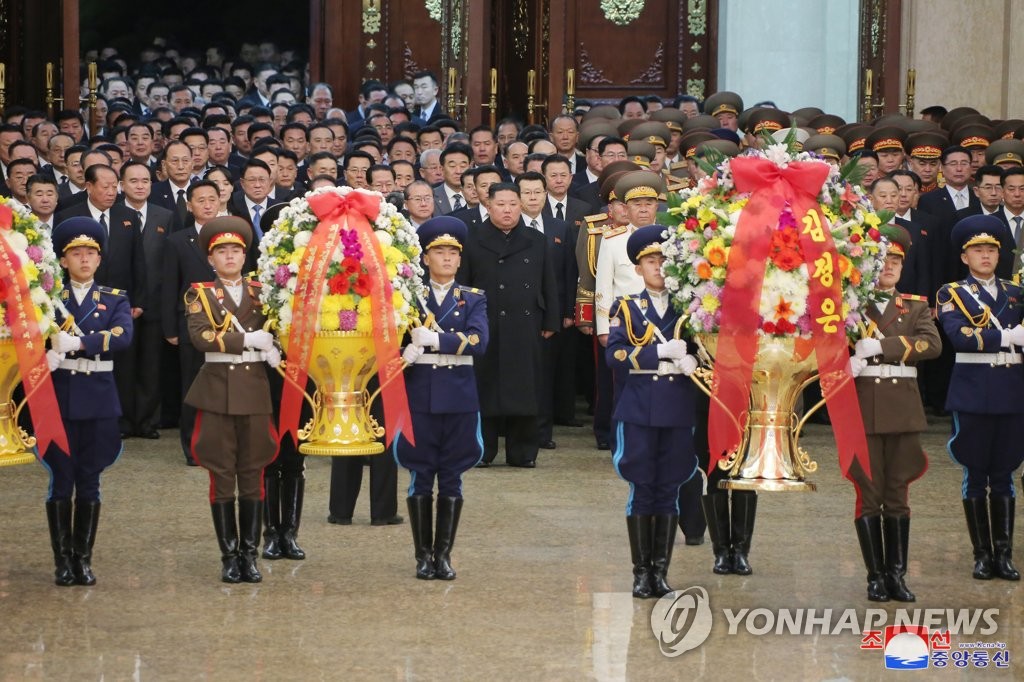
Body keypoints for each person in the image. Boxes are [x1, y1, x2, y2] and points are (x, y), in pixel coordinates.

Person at [183, 216, 280, 584]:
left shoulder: (262, 290)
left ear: (245, 255)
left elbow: (278, 329)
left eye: (235, 250)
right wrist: (246, 341)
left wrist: (274, 346)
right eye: (221, 251)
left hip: (254, 389)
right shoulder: (200, 293)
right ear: (211, 259)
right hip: (218, 390)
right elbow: (201, 337)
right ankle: (228, 555)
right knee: (222, 474)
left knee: (254, 472)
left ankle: (249, 555)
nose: (229, 257)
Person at [605, 225, 699, 598]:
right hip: (640, 407)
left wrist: (693, 358)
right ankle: (640, 573)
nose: (658, 266)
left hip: (677, 407)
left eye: (663, 260)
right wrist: (657, 352)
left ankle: (661, 572)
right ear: (638, 268)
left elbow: (706, 351)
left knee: (670, 487)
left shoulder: (692, 308)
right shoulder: (626, 307)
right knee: (643, 488)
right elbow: (614, 355)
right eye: (650, 260)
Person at [848, 226, 941, 602]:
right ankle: (875, 576)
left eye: (896, 260)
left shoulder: (915, 305)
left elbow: (932, 345)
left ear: (903, 266)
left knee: (898, 493)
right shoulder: (850, 306)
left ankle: (897, 576)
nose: (889, 266)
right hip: (864, 409)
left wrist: (881, 345)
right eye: (883, 259)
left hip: (902, 410)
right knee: (869, 493)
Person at [394, 217, 488, 580]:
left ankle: (443, 554)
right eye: (439, 252)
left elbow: (480, 341)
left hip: (459, 395)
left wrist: (437, 341)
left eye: (452, 252)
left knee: (451, 476)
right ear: (426, 258)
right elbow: (393, 343)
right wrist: (406, 351)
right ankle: (422, 555)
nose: (446, 258)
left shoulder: (474, 299)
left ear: (460, 259)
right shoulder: (409, 298)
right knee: (420, 475)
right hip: (419, 394)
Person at [44, 217, 134, 586]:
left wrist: (79, 343)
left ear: (99, 260)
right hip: (59, 397)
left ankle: (83, 558)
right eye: (76, 254)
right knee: (61, 481)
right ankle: (62, 560)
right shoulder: (49, 300)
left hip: (97, 397)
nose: (84, 260)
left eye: (90, 254)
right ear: (63, 261)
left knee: (90, 480)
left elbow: (123, 335)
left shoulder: (115, 299)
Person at [937, 215, 1024, 582]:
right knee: (975, 472)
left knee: (1005, 473)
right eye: (978, 250)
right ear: (964, 257)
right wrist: (1007, 337)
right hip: (973, 389)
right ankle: (981, 554)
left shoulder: (1016, 292)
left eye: (991, 250)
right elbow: (959, 336)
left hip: (1012, 391)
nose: (985, 256)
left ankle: (1003, 553)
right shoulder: (950, 292)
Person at [456, 182, 560, 467]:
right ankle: (483, 451)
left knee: (525, 388)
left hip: (526, 323)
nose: (507, 210)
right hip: (484, 324)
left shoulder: (536, 239)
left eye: (513, 204)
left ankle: (523, 452)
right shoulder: (472, 238)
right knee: (484, 388)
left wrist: (551, 318)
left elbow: (548, 282)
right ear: (488, 205)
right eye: (501, 204)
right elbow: (463, 284)